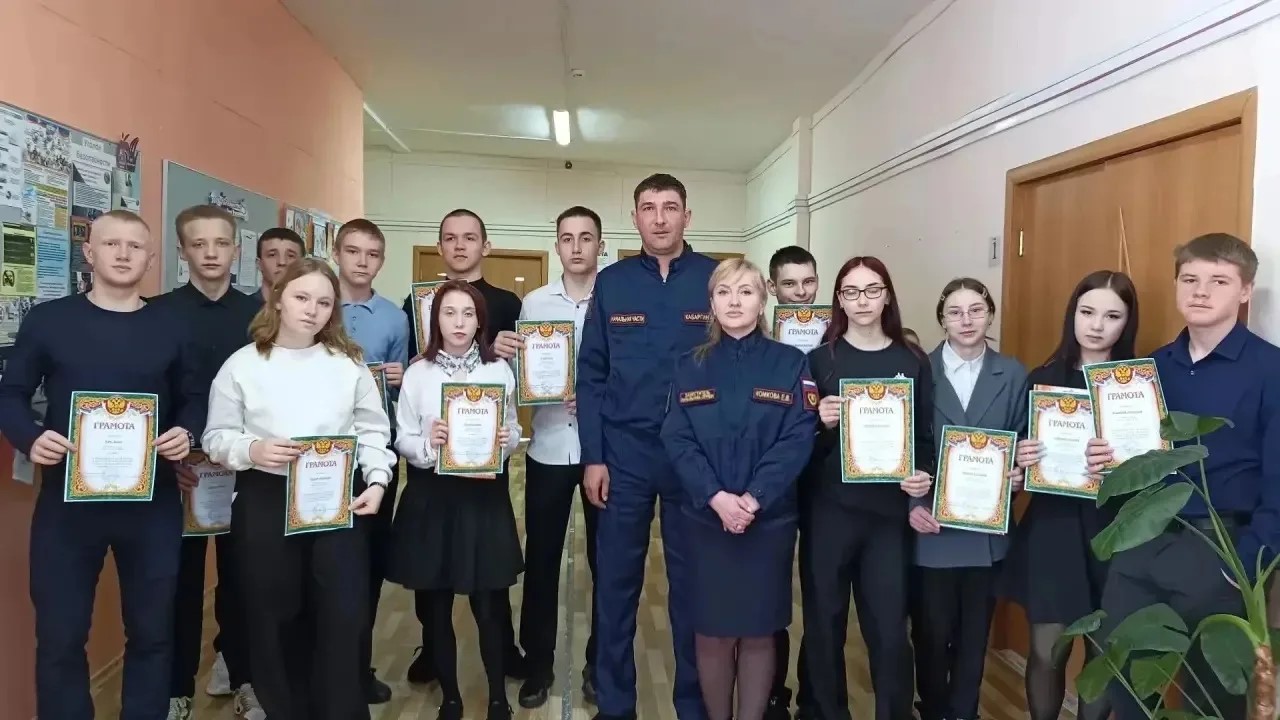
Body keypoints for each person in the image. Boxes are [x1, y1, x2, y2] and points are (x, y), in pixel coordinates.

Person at [0, 210, 206, 719]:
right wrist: (30, 437)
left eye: (135, 246)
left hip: (152, 503)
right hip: (68, 506)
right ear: (89, 253)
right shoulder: (49, 321)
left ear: (150, 259)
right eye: (111, 244)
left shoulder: (174, 325)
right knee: (61, 636)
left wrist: (187, 431)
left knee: (153, 633)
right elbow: (11, 393)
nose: (123, 254)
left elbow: (195, 397)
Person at [1087, 233, 1279, 720]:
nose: (1201, 291)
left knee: (1212, 697)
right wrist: (1105, 460)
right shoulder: (1147, 369)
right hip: (1142, 545)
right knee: (1127, 685)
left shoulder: (1271, 369)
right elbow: (1135, 462)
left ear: (1244, 291)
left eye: (1219, 281)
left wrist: (1246, 563)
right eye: (1190, 279)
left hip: (1221, 549)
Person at [202, 258, 393, 720]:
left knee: (341, 614)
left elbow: (373, 430)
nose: (312, 310)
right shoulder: (242, 365)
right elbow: (216, 437)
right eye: (302, 298)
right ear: (278, 300)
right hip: (266, 500)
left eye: (324, 302)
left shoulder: (348, 365)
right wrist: (252, 449)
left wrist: (378, 479)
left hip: (336, 500)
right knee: (274, 615)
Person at [577, 173, 719, 720]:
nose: (660, 218)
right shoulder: (612, 284)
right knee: (615, 586)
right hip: (624, 456)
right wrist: (594, 456)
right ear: (634, 217)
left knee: (692, 586)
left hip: (693, 458)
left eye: (670, 207)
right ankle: (615, 705)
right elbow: (591, 374)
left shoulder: (713, 280)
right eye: (649, 207)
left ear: (688, 216)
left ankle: (693, 705)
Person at [662, 258, 816, 720]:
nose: (734, 302)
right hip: (705, 520)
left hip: (767, 521)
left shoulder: (791, 363)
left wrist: (752, 499)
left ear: (763, 300)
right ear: (711, 303)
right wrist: (716, 497)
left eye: (745, 292)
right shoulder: (688, 366)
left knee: (759, 629)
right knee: (710, 630)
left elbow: (798, 437)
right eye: (724, 292)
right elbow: (677, 437)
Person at [1002, 270, 1138, 720]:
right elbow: (1016, 468)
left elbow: (1154, 466)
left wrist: (1121, 460)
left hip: (1115, 529)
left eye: (1112, 316)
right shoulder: (1041, 378)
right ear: (1072, 315)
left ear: (1127, 323)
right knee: (1048, 650)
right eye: (1087, 312)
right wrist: (1020, 458)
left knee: (1103, 654)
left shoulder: (1136, 385)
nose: (1096, 325)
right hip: (1053, 529)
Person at [803, 256, 934, 720]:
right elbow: (796, 444)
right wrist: (818, 423)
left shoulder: (912, 360)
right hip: (828, 511)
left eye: (872, 290)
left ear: (887, 296)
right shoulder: (819, 360)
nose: (862, 301)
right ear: (839, 300)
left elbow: (924, 438)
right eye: (852, 292)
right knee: (824, 625)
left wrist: (923, 475)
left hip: (888, 517)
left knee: (890, 631)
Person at [148, 205, 264, 720]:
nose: (211, 253)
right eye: (199, 244)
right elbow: (151, 389)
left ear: (236, 249)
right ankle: (177, 690)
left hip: (246, 469)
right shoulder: (157, 313)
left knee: (244, 582)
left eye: (221, 243)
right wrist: (168, 454)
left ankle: (245, 680)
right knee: (180, 584)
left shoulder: (259, 317)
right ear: (182, 250)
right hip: (180, 471)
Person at [402, 208, 527, 684]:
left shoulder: (508, 306)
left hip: (484, 474)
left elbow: (520, 388)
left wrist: (506, 439)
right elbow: (411, 393)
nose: (459, 245)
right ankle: (434, 652)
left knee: (489, 580)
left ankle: (503, 655)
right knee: (432, 577)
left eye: (469, 237)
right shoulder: (416, 308)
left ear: (484, 245)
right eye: (450, 238)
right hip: (432, 476)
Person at [492, 206, 604, 708]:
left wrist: (599, 396)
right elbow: (520, 374)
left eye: (586, 237)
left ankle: (600, 666)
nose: (576, 247)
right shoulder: (533, 303)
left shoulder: (617, 297)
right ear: (556, 245)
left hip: (604, 452)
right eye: (567, 238)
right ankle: (538, 666)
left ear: (600, 244)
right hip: (549, 447)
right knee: (541, 562)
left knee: (606, 564)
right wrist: (503, 354)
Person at [906, 278, 1027, 720]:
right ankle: (933, 708)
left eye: (976, 310)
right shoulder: (918, 370)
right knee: (931, 634)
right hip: (932, 526)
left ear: (990, 314)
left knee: (975, 636)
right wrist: (912, 506)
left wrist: (1019, 475)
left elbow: (1022, 439)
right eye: (955, 312)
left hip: (985, 528)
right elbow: (903, 448)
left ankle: (964, 712)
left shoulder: (1013, 373)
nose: (967, 320)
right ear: (942, 319)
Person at [333, 217, 409, 705]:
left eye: (372, 254)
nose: (362, 262)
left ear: (382, 260)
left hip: (375, 456)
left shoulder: (396, 319)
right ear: (336, 253)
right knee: (324, 566)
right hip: (319, 458)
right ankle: (322, 671)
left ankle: (358, 668)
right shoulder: (316, 305)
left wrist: (400, 379)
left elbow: (399, 393)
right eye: (353, 251)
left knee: (369, 564)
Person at [764, 245, 821, 720]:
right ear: (772, 288)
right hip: (774, 480)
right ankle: (772, 692)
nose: (801, 293)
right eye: (789, 284)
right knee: (773, 591)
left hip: (823, 480)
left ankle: (814, 696)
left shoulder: (836, 340)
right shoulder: (758, 343)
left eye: (808, 283)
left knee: (820, 593)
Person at [255, 227, 306, 302]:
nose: (282, 262)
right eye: (272, 255)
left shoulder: (311, 307)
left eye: (290, 256)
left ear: (303, 264)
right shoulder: (242, 308)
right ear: (259, 264)